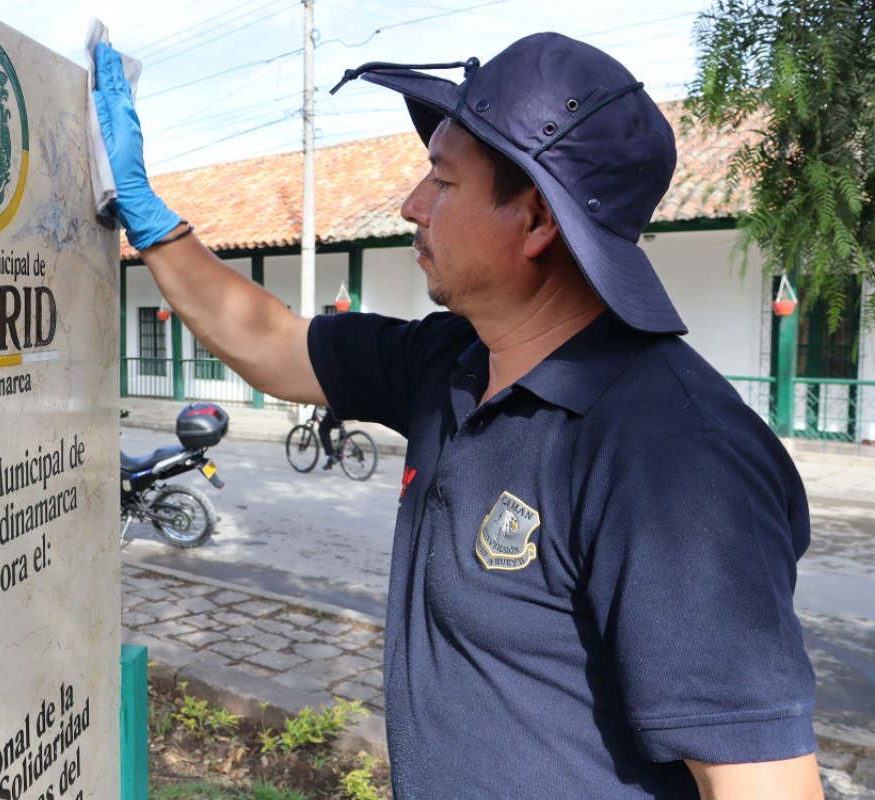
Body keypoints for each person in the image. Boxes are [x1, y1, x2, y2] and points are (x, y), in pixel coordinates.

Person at [94, 32, 823, 800]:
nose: (412, 205)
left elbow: (764, 786)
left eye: (441, 180)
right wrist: (149, 218)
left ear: (538, 220)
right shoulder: (451, 361)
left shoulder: (675, 457)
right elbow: (271, 340)